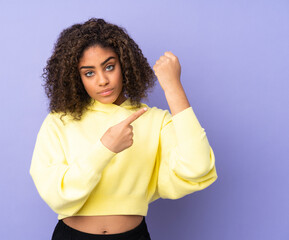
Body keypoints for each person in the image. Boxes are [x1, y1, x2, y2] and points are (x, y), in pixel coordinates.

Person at [29, 17, 218, 240]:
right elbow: (57, 197)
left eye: (109, 67)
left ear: (125, 65)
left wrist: (173, 87)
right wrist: (105, 149)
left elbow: (198, 167)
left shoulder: (154, 120)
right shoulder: (59, 121)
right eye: (89, 73)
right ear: (76, 78)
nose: (102, 80)